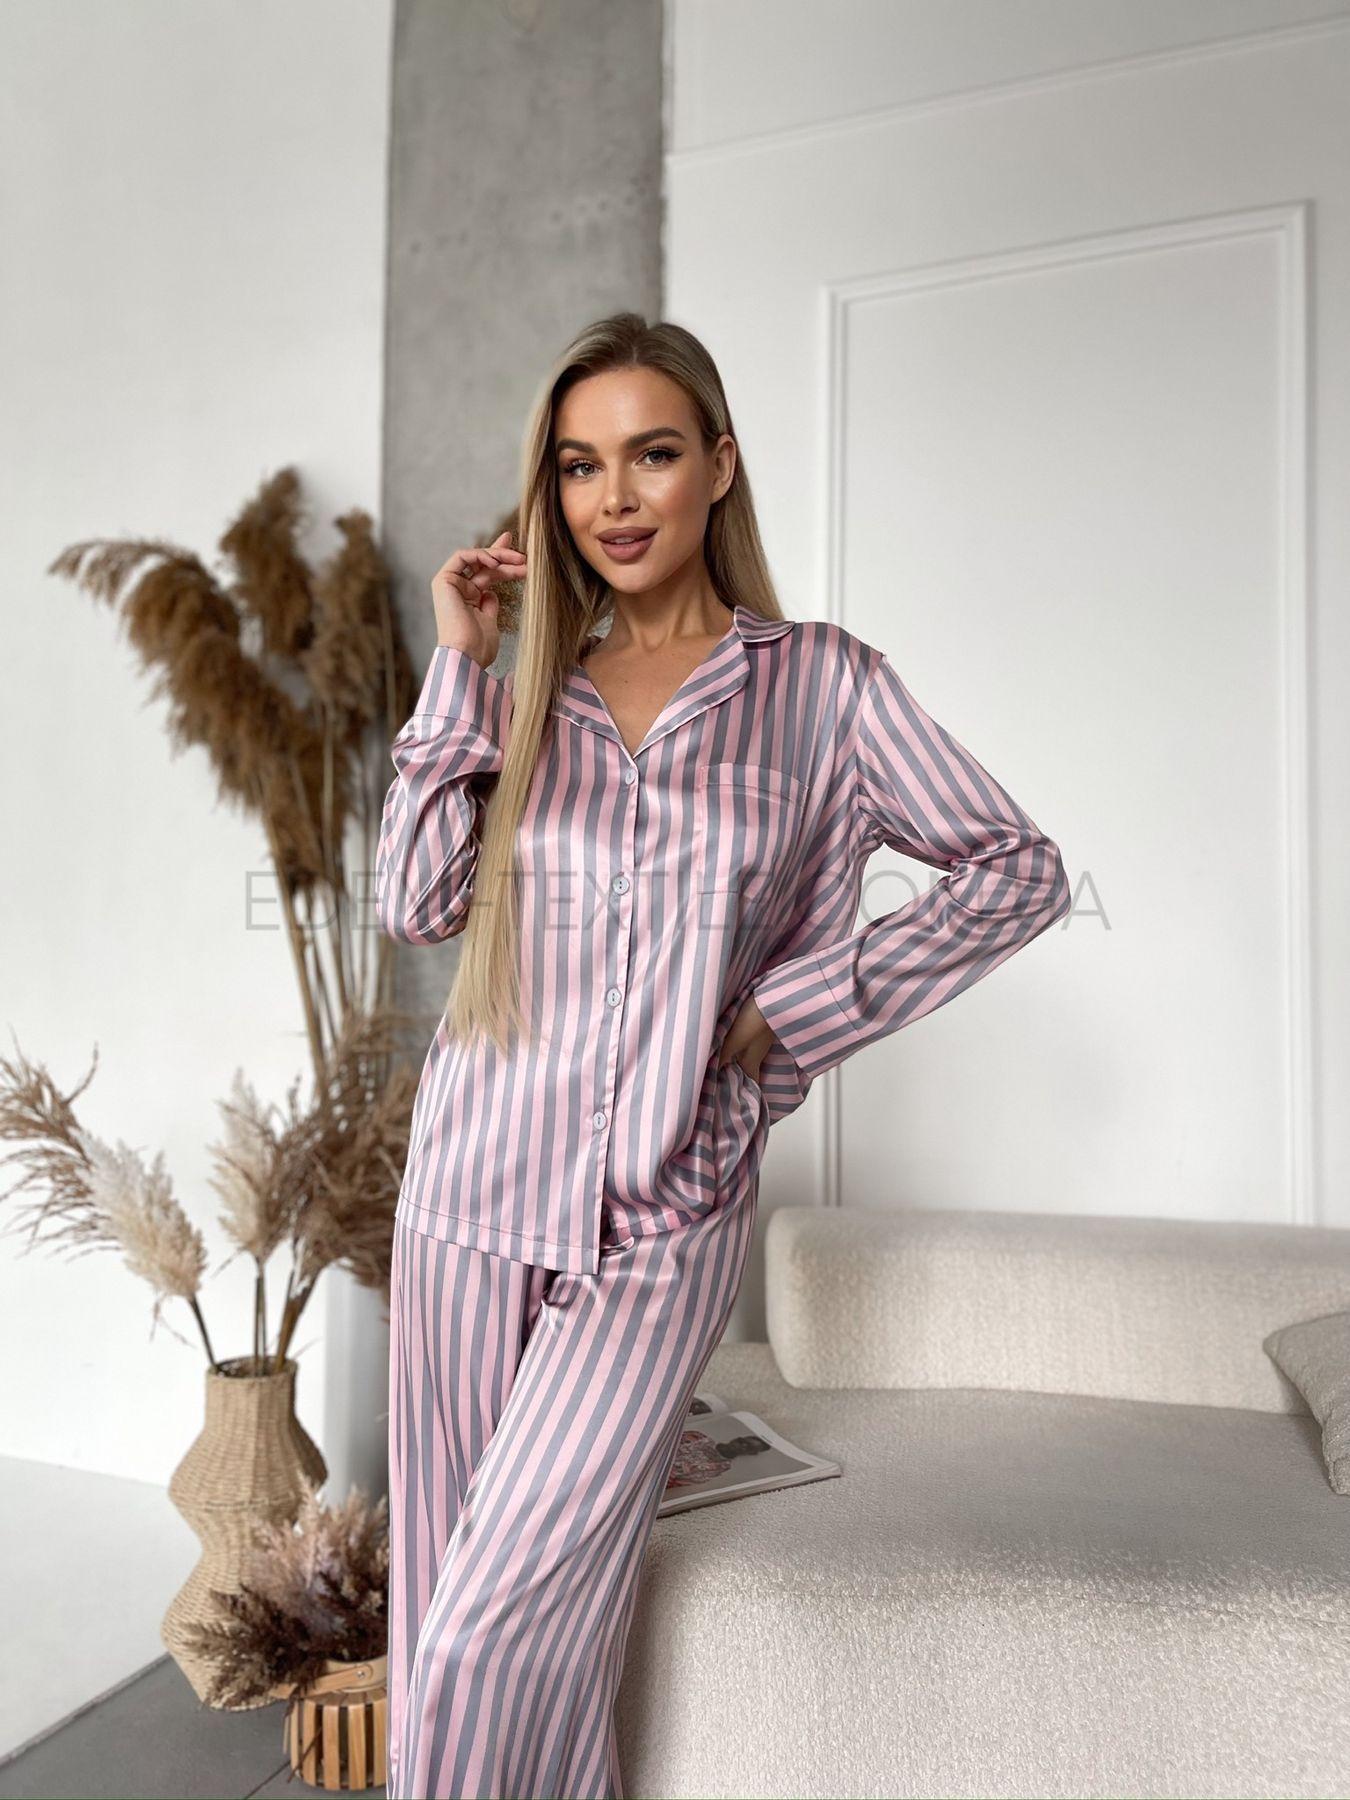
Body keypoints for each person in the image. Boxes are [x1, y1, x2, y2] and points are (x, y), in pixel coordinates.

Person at [377, 311, 1071, 1799]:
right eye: (579, 467)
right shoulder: (529, 688)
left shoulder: (820, 688)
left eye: (651, 454)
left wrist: (797, 1009)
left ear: (720, 466)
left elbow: (1015, 868)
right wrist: (462, 661)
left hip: (664, 1212)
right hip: (466, 1201)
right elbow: (418, 901)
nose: (613, 498)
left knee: (493, 1629)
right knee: (450, 1627)